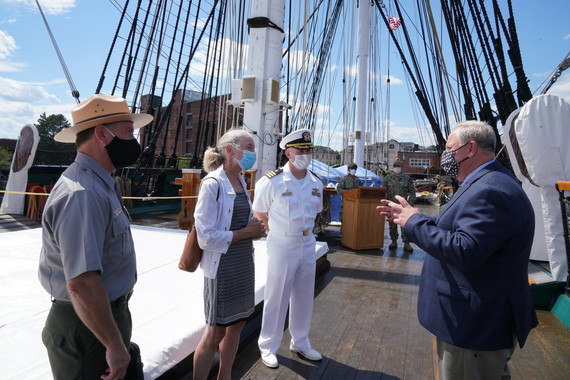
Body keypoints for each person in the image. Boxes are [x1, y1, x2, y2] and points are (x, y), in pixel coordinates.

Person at [378, 121, 538, 380]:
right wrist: (416, 217)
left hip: (472, 325)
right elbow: (457, 231)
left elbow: (465, 250)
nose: (445, 155)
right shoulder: (490, 181)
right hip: (477, 321)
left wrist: (413, 222)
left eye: (450, 148)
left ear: (470, 148)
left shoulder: (490, 191)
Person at [38, 94, 153, 380]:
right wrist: (113, 344)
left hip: (102, 317)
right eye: (128, 132)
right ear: (102, 134)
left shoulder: (102, 184)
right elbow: (82, 283)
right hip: (85, 325)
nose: (134, 141)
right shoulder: (83, 194)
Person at [192, 129, 266, 380]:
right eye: (249, 146)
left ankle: (225, 376)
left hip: (243, 264)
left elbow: (241, 224)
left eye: (253, 147)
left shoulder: (242, 182)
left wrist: (255, 231)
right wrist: (246, 232)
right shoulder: (212, 184)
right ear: (230, 150)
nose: (253, 153)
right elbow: (206, 236)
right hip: (222, 268)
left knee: (238, 325)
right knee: (215, 333)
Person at [253, 129, 323, 368]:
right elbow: (260, 213)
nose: (305, 154)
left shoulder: (316, 183)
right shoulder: (271, 181)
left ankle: (300, 341)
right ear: (288, 153)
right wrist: (274, 234)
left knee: (304, 295)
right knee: (277, 295)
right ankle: (268, 345)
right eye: (300, 150)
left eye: (308, 150)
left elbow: (316, 212)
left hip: (307, 242)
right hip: (282, 242)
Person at [382, 159, 416, 252]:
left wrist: (410, 204)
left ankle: (406, 243)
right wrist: (384, 203)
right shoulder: (387, 178)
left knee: (405, 225)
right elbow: (383, 191)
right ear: (393, 167)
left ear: (401, 167)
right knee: (392, 225)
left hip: (403, 207)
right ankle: (394, 241)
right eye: (395, 166)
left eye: (398, 166)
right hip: (391, 206)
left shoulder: (407, 178)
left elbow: (412, 192)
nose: (397, 168)